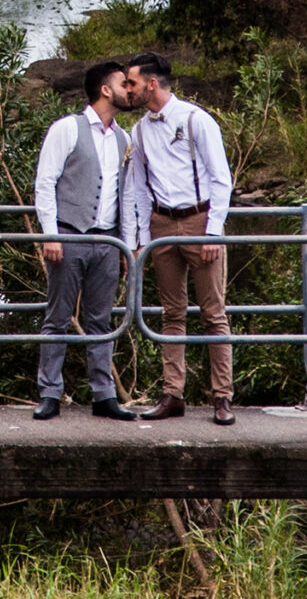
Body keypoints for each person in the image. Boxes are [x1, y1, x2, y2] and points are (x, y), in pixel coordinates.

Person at [126, 50, 236, 425]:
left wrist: (214, 231)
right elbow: (139, 188)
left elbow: (222, 178)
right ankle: (173, 394)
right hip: (161, 226)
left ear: (151, 84)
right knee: (171, 314)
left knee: (213, 314)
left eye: (133, 83)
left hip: (199, 220)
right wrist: (142, 235)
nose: (128, 90)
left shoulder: (195, 120)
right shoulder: (138, 131)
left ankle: (222, 398)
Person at [30, 56, 138, 420]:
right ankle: (49, 392)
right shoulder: (67, 128)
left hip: (108, 242)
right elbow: (45, 183)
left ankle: (104, 395)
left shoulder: (124, 137)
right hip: (69, 234)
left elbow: (126, 195)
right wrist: (50, 234)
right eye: (125, 84)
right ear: (106, 90)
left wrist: (125, 245)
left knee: (101, 320)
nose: (130, 89)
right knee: (57, 316)